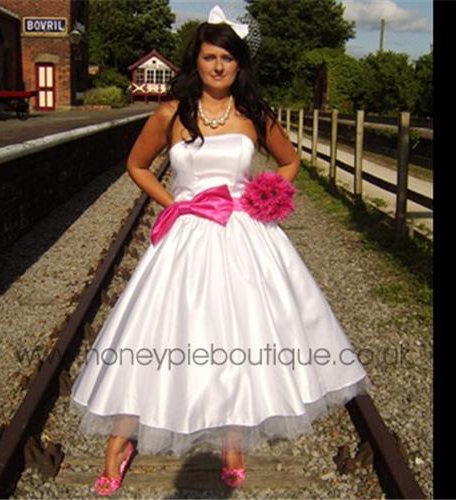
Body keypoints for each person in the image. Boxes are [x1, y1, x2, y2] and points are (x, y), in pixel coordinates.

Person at [69, 5, 372, 496]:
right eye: (210, 57)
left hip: (244, 233)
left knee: (242, 329)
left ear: (239, 65)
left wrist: (264, 194)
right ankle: (121, 441)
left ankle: (234, 434)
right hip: (189, 233)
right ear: (197, 60)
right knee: (155, 331)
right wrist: (178, 204)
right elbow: (138, 165)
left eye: (227, 59)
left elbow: (290, 161)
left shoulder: (254, 114)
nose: (218, 67)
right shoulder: (170, 112)